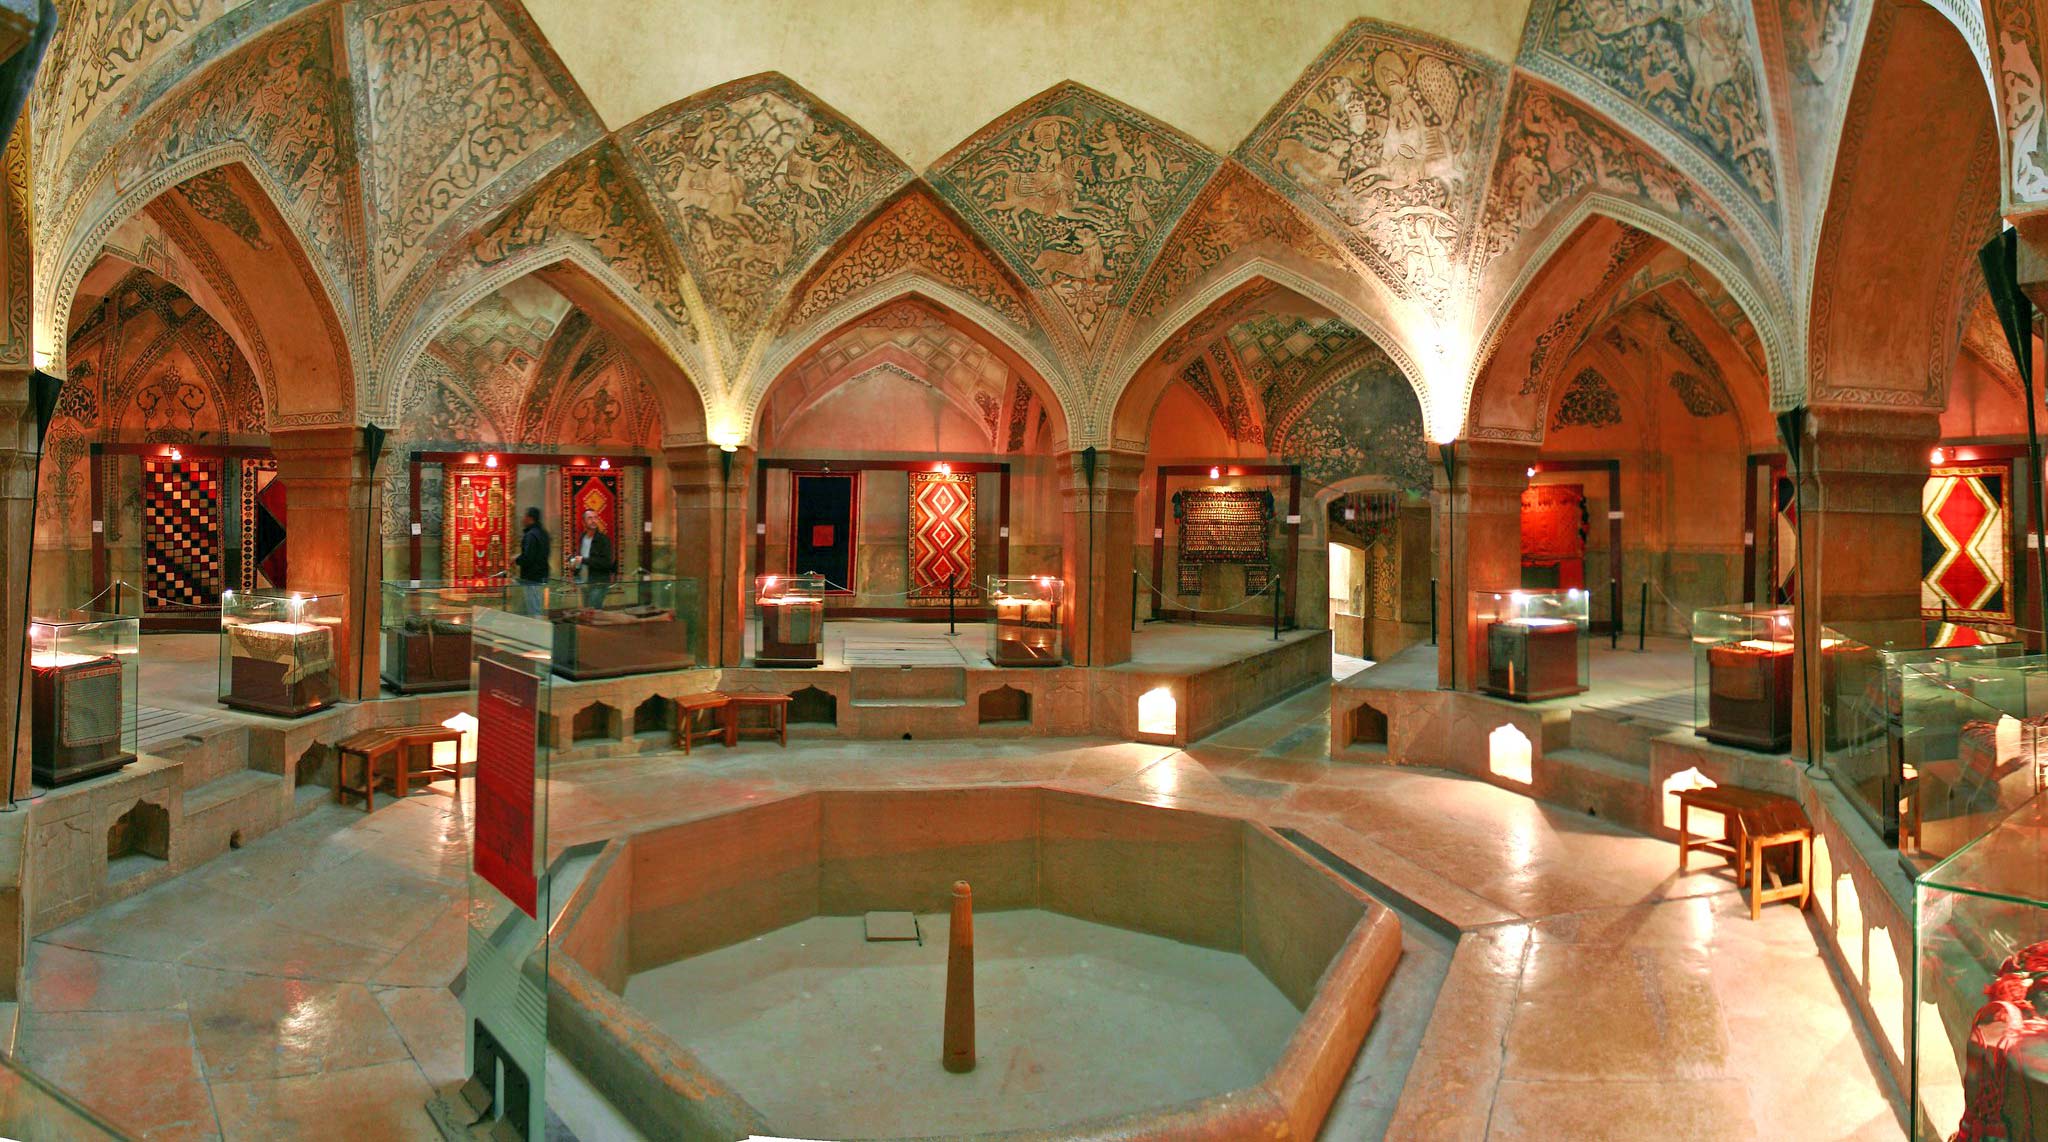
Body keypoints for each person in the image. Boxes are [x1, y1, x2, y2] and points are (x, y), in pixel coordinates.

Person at [569, 507, 616, 609]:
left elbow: (607, 563)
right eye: (590, 518)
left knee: (593, 611)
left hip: (599, 582)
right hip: (584, 581)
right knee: (586, 612)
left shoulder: (603, 540)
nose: (593, 521)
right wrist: (575, 565)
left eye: (595, 518)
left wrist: (583, 560)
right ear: (584, 522)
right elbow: (580, 557)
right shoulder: (582, 537)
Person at [515, 507, 550, 615]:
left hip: (532, 577)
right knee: (537, 605)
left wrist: (516, 559)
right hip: (541, 575)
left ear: (530, 518)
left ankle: (537, 629)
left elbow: (528, 558)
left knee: (534, 608)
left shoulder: (531, 535)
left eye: (525, 516)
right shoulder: (543, 533)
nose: (523, 519)